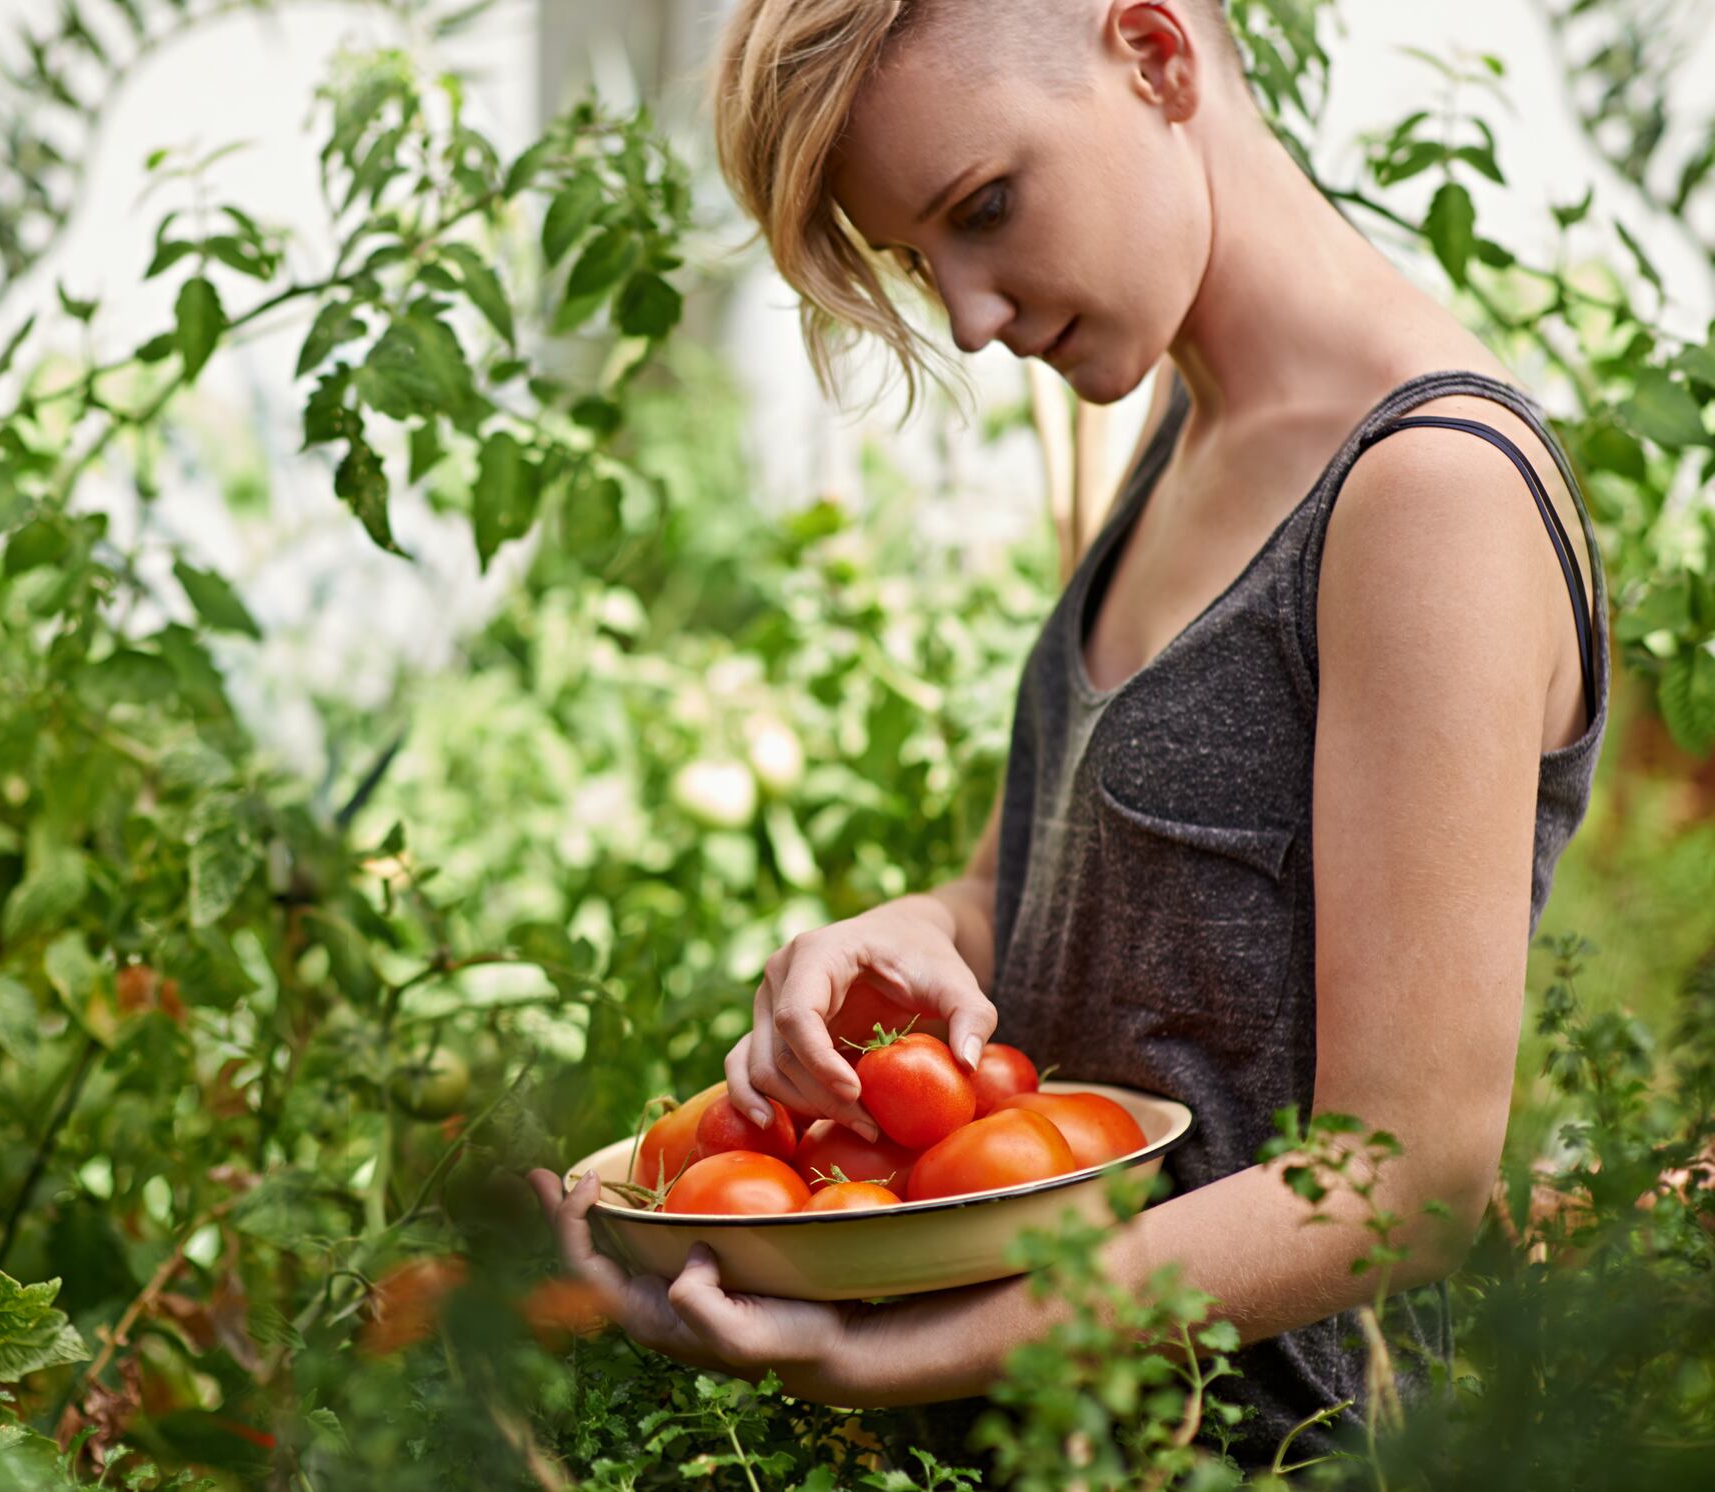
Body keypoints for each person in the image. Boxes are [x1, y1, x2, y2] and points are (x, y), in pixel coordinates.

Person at [529, 0, 1609, 1471]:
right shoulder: (1185, 435)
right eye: (922, 260)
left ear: (1154, 54)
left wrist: (902, 1352)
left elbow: (1402, 1180)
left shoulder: (1429, 489)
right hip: (1070, 1437)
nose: (969, 316)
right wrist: (908, 931)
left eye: (982, 208)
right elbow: (1019, 903)